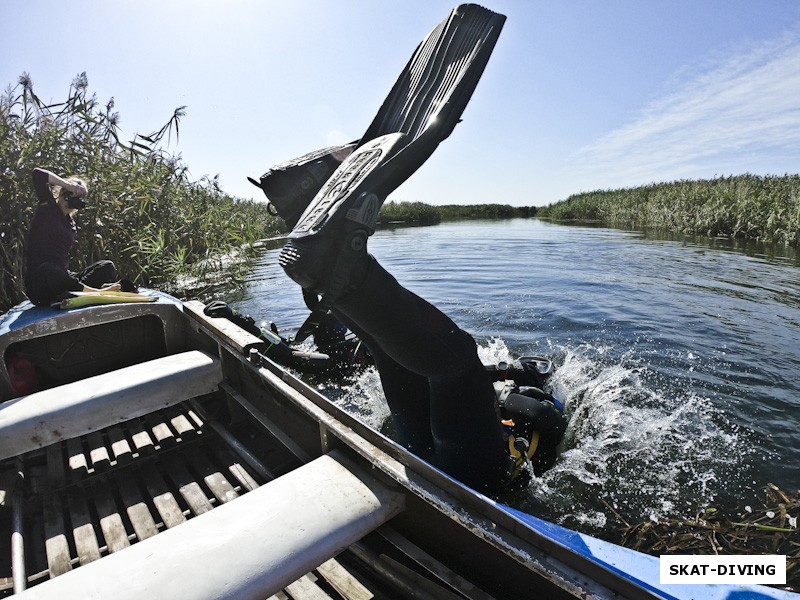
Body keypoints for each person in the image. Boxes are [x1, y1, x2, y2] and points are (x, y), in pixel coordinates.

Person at [24, 167, 121, 306]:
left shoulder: (70, 224)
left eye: (78, 199)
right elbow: (37, 174)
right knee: (48, 270)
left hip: (62, 281)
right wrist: (68, 185)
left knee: (107, 266)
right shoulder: (48, 208)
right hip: (41, 284)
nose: (72, 201)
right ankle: (93, 292)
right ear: (63, 193)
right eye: (70, 195)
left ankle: (76, 292)